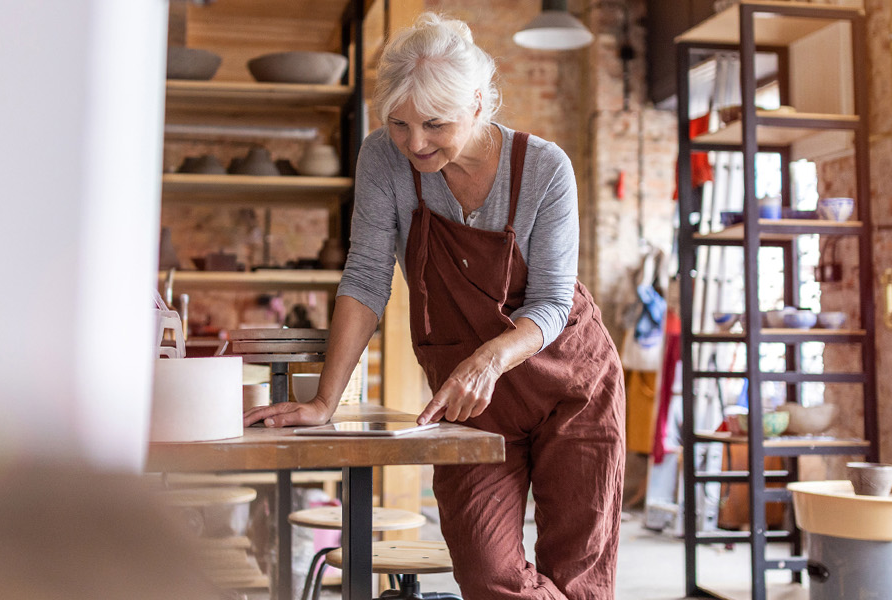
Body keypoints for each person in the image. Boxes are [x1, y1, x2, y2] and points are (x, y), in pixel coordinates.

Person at [243, 12, 625, 599]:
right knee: (485, 569)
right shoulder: (384, 160)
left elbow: (550, 303)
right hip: (472, 403)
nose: (415, 143)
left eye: (434, 124)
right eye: (398, 123)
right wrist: (324, 399)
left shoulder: (546, 169)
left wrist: (489, 359)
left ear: (478, 104)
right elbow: (367, 278)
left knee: (579, 576)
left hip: (570, 383)